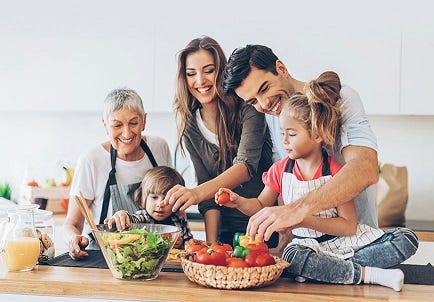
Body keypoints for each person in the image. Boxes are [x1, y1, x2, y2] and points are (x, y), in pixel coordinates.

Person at [216, 72, 418, 291]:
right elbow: (260, 205)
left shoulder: (336, 173)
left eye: (291, 134)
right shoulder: (280, 171)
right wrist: (238, 202)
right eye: (282, 133)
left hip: (344, 243)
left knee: (406, 238)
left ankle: (326, 271)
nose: (284, 141)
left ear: (317, 135)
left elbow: (349, 226)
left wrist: (301, 218)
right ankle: (367, 274)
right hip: (307, 248)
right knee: (293, 256)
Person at [222, 44, 381, 242]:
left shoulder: (342, 98)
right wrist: (285, 241)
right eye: (253, 102)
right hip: (307, 245)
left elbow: (366, 168)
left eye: (264, 89)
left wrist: (297, 211)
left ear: (281, 68)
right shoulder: (275, 114)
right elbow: (284, 184)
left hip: (359, 240)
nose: (264, 105)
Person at [164, 36, 274, 245]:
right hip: (225, 232)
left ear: (221, 72)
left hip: (264, 227)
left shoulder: (249, 108)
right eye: (191, 74)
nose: (200, 81)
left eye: (208, 70)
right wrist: (212, 245)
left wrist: (195, 193)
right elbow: (207, 197)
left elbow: (245, 167)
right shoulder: (190, 126)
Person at [64, 88, 172, 259]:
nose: (127, 133)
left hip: (153, 257)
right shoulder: (92, 160)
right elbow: (72, 223)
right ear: (105, 125)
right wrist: (73, 239)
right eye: (117, 125)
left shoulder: (159, 148)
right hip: (104, 259)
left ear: (144, 121)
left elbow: (172, 204)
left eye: (133, 123)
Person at [105, 166, 193, 248]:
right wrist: (122, 215)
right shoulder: (143, 217)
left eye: (167, 199)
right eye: (154, 197)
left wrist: (181, 243)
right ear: (144, 199)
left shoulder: (180, 219)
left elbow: (190, 244)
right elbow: (131, 220)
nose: (160, 204)